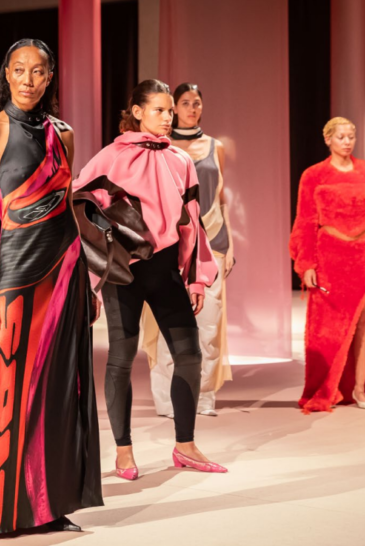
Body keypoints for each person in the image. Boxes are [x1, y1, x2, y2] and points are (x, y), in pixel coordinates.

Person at [0, 39, 103, 546]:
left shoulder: (64, 134)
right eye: (19, 70)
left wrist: (89, 279)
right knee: (1, 383)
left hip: (66, 270)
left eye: (38, 71)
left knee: (57, 387)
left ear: (50, 77)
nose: (28, 80)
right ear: (6, 75)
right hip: (16, 273)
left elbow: (67, 208)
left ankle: (46, 504)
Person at [74, 79, 225, 482]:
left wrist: (196, 278)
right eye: (159, 110)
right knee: (121, 359)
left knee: (190, 355)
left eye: (170, 111)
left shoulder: (180, 159)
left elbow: (191, 223)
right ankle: (124, 451)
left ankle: (185, 446)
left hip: (166, 270)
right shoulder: (110, 156)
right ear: (138, 112)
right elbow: (79, 205)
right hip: (124, 272)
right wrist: (98, 262)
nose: (167, 117)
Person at [289, 117, 365, 413]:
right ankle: (327, 387)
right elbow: (305, 221)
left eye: (351, 136)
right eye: (341, 137)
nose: (347, 142)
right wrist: (307, 263)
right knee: (328, 327)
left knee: (363, 323)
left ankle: (359, 389)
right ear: (328, 139)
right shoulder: (314, 175)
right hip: (330, 256)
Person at [142, 82, 234, 417]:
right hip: (169, 244)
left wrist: (230, 244)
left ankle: (203, 396)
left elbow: (221, 197)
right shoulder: (157, 146)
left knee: (208, 326)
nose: (191, 108)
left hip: (213, 242)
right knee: (166, 325)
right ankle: (167, 398)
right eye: (184, 103)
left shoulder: (215, 147)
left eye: (197, 102)